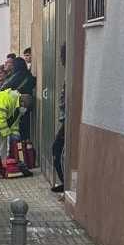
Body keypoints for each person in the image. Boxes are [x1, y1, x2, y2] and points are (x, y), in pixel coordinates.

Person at [2, 56, 37, 140]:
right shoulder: (28, 75)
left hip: (16, 104)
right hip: (25, 105)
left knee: (16, 128)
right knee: (24, 128)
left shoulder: (16, 76)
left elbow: (5, 89)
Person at [51, 44, 67, 193]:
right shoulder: (68, 73)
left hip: (68, 121)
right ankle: (64, 182)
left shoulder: (71, 74)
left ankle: (65, 183)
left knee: (57, 149)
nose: (60, 60)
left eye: (62, 56)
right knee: (58, 149)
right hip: (65, 119)